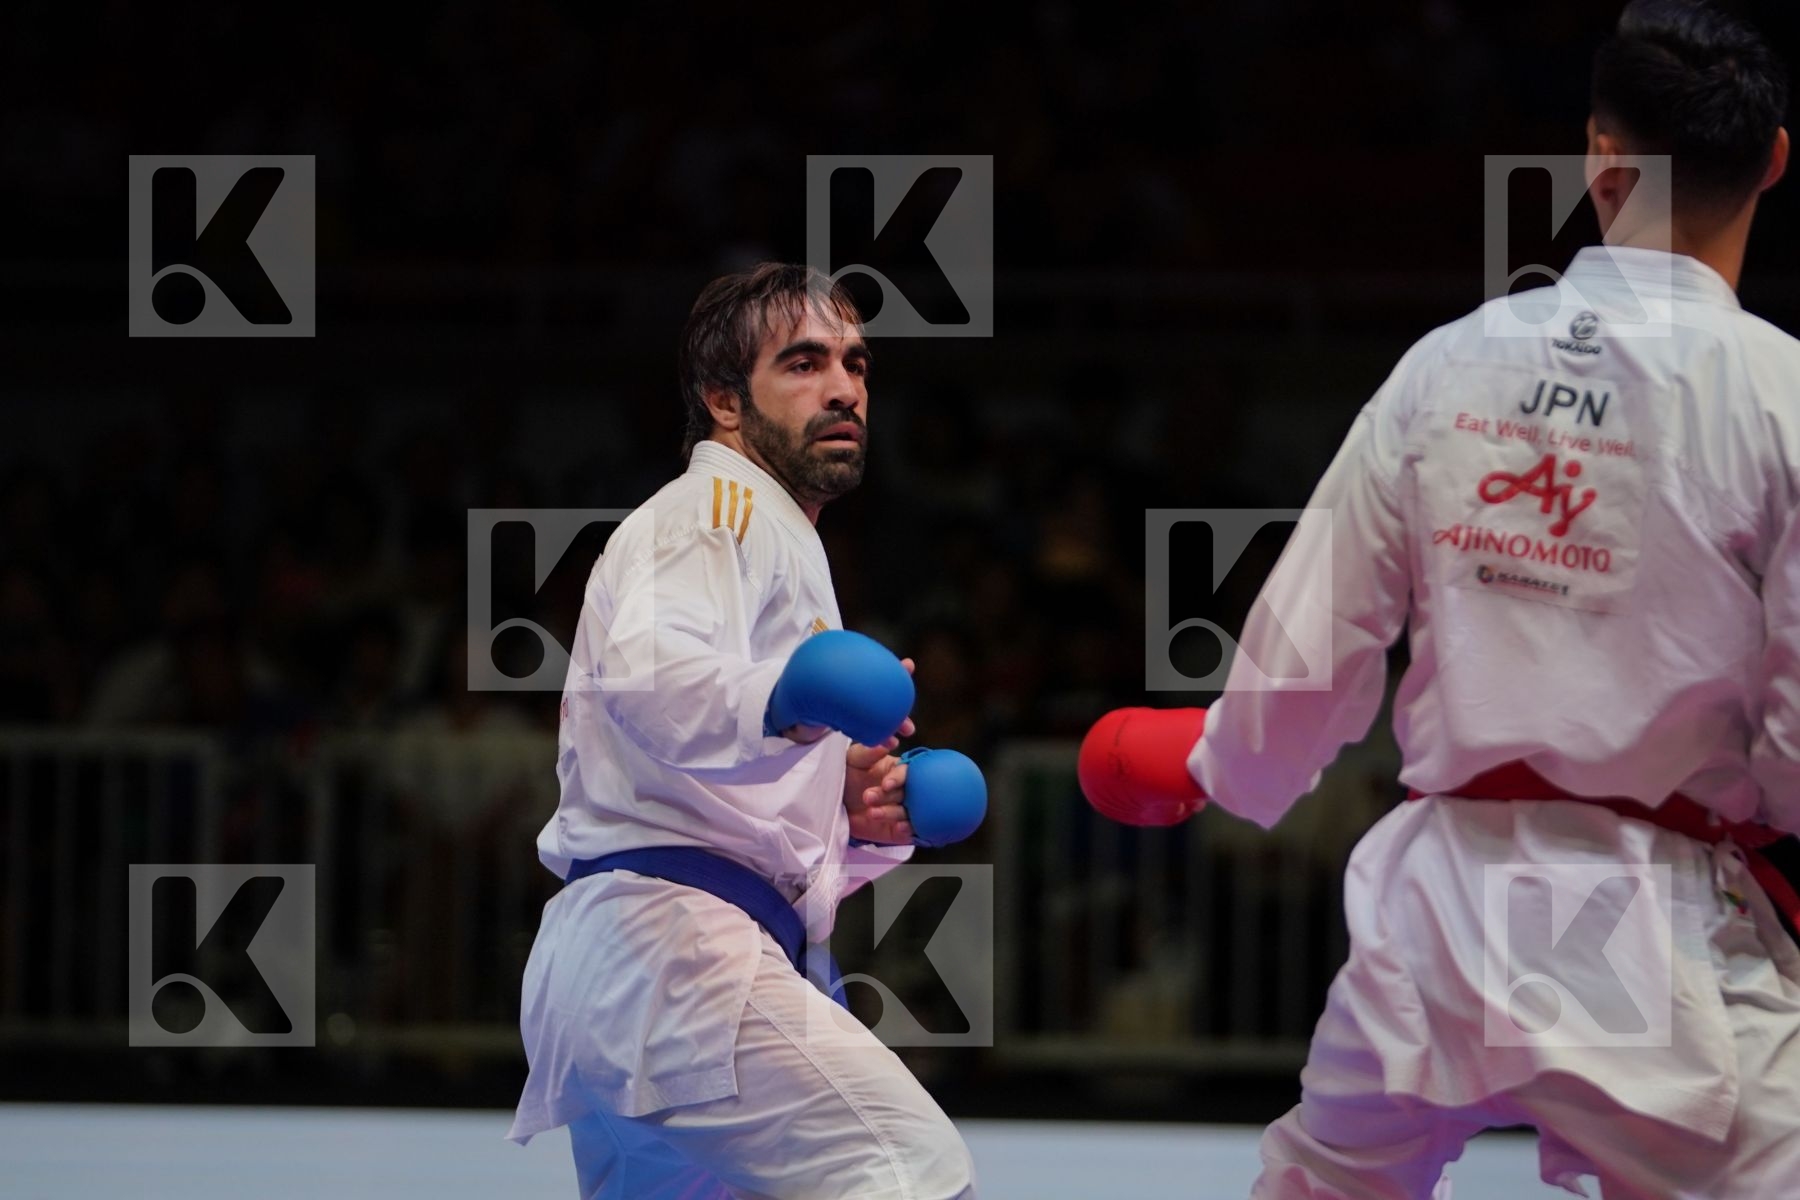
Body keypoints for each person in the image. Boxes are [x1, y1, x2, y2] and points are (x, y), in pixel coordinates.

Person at [1081, 2, 1800, 1195]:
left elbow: (1315, 636)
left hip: (1439, 906)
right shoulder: (1781, 396)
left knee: (1326, 1181)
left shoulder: (1447, 362)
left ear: (1598, 161)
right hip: (1641, 913)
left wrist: (1224, 766)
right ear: (1774, 160)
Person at [508, 262, 978, 1200]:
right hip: (672, 951)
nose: (844, 387)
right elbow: (651, 681)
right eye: (803, 363)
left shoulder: (779, 541)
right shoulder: (714, 510)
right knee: (909, 1174)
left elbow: (722, 796)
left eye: (855, 362)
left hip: (662, 957)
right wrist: (789, 700)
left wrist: (856, 816)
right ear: (724, 400)